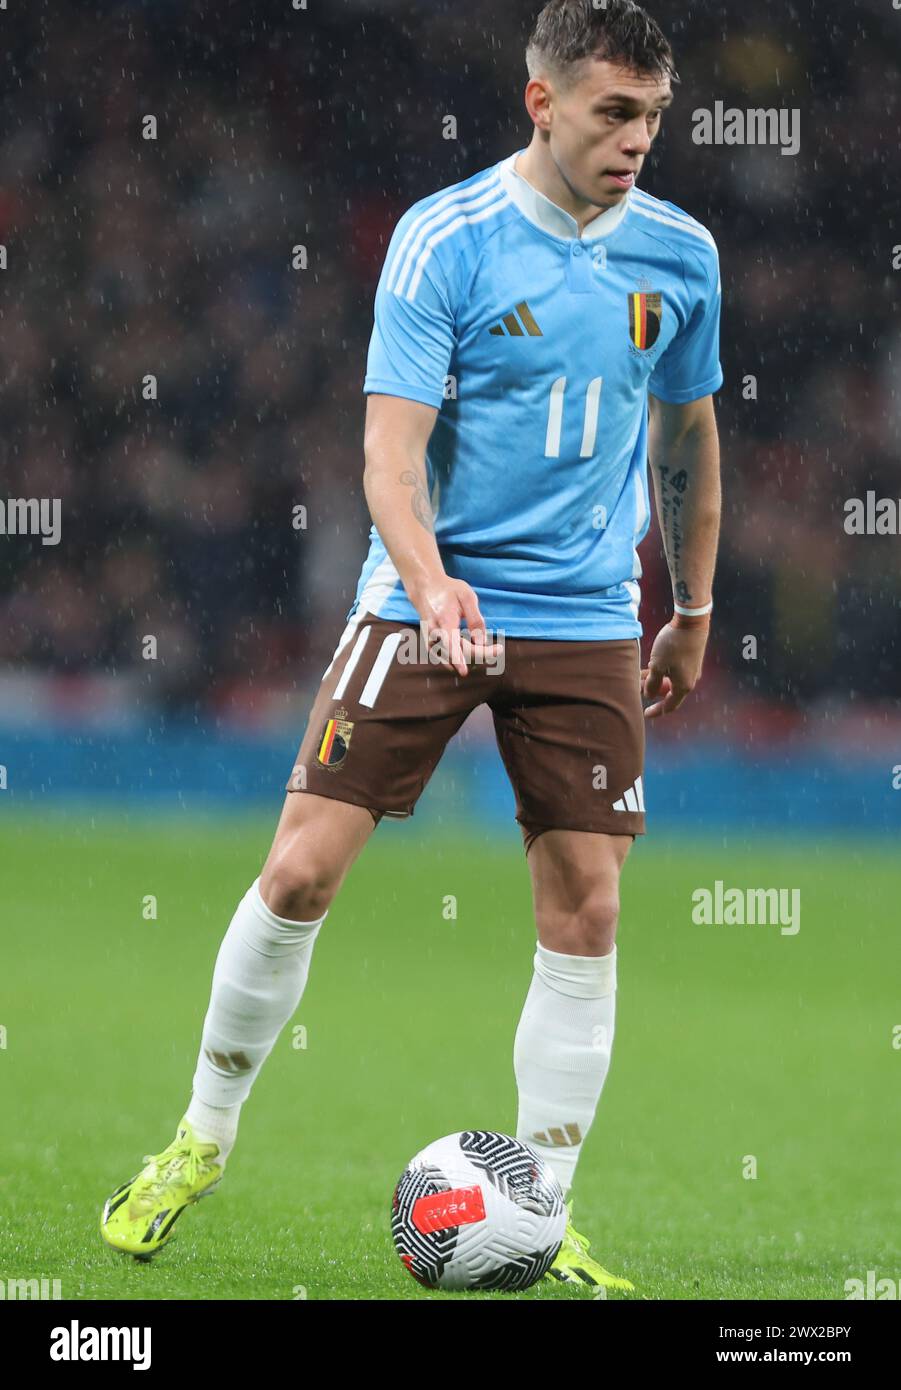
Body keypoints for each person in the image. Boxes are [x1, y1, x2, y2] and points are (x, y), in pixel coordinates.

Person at [101, 0, 722, 1291]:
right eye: (614, 113)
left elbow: (686, 435)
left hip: (585, 614)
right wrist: (433, 586)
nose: (637, 141)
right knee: (297, 874)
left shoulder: (680, 254)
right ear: (539, 102)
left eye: (653, 118)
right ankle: (197, 1140)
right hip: (423, 596)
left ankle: (541, 1212)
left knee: (588, 906)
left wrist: (694, 605)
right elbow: (387, 455)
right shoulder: (442, 241)